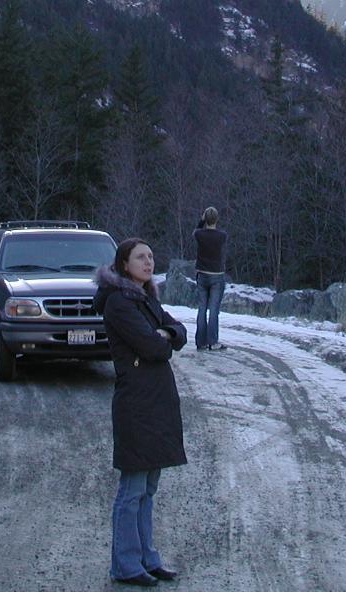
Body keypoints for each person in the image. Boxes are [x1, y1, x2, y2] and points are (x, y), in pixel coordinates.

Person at [94, 238, 187, 586]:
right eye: (140, 258)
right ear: (123, 264)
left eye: (151, 256)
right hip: (136, 404)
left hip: (157, 401)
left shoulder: (146, 298)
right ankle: (125, 564)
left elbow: (179, 332)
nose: (149, 263)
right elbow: (154, 347)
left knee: (148, 487)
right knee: (132, 488)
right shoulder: (119, 302)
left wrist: (165, 333)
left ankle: (147, 557)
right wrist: (162, 337)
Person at [193, 206, 227, 351]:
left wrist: (201, 222)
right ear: (217, 219)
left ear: (205, 219)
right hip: (216, 276)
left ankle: (201, 342)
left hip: (202, 274)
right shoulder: (222, 236)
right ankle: (213, 341)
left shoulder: (200, 234)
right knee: (214, 310)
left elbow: (195, 231)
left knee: (202, 308)